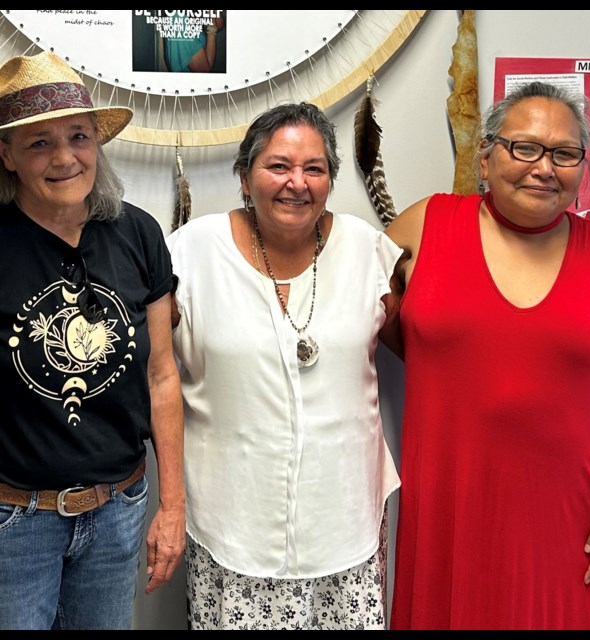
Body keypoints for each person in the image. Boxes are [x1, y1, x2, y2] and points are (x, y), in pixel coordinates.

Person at [0, 51, 185, 630]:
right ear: (4, 155)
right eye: (38, 143)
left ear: (97, 142)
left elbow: (161, 377)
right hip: (1, 523)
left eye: (78, 136)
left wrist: (172, 505)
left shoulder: (139, 234)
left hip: (115, 513)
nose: (63, 158)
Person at [384, 81, 590, 629]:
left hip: (575, 522)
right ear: (485, 158)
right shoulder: (426, 225)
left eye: (564, 153)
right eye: (526, 147)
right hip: (453, 505)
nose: (544, 167)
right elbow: (358, 317)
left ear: (582, 168)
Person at [166, 102, 402, 630]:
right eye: (278, 166)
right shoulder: (189, 252)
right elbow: (154, 372)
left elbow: (424, 347)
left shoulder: (370, 252)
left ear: (330, 180)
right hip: (232, 524)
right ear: (245, 178)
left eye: (314, 169)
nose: (296, 183)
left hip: (344, 525)